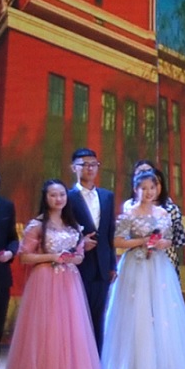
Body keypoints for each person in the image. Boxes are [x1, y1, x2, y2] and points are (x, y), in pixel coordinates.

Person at [0, 179, 105, 369]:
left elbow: (79, 256)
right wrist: (53, 257)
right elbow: (25, 257)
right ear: (45, 198)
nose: (58, 199)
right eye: (53, 195)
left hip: (70, 280)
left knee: (70, 330)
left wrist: (73, 257)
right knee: (46, 329)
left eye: (62, 195)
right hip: (45, 280)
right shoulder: (37, 225)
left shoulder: (73, 224)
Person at [103, 169, 185, 369]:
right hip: (135, 265)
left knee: (162, 312)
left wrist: (161, 243)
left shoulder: (163, 213)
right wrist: (142, 241)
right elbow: (117, 241)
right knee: (136, 313)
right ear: (135, 189)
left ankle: (164, 368)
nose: (148, 192)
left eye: (152, 188)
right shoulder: (129, 213)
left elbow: (169, 240)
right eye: (143, 188)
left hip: (159, 265)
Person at [66, 150, 117, 351]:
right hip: (78, 266)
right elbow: (59, 231)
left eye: (94, 164)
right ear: (74, 168)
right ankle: (79, 363)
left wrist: (112, 264)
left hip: (102, 267)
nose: (90, 168)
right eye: (84, 164)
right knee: (78, 318)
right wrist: (79, 243)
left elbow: (110, 232)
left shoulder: (107, 196)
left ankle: (97, 365)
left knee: (98, 318)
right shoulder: (66, 197)